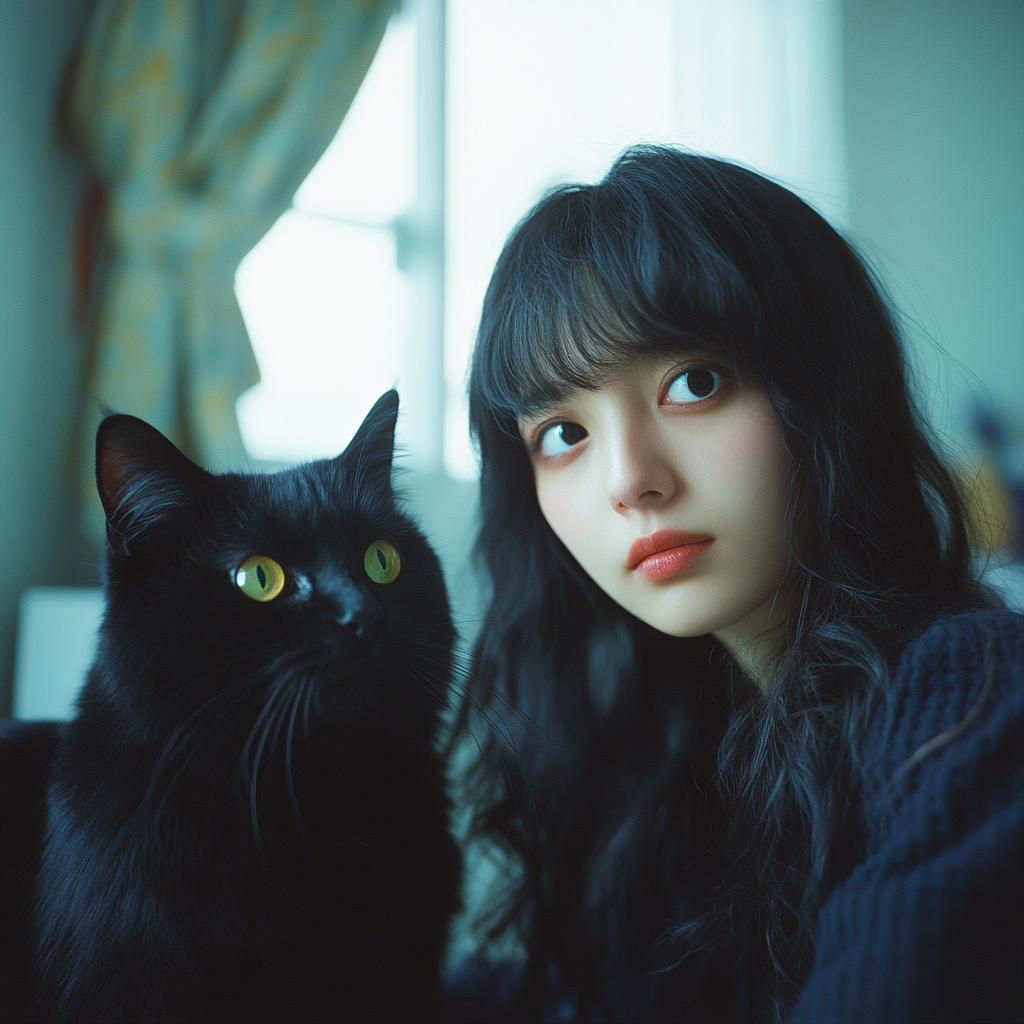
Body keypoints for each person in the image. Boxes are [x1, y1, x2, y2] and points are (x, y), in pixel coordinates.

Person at [446, 146, 1024, 1023]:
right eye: (563, 434)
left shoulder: (972, 692)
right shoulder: (668, 752)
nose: (629, 479)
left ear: (820, 390)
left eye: (693, 382)